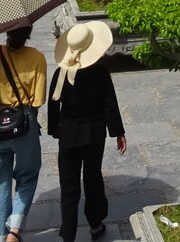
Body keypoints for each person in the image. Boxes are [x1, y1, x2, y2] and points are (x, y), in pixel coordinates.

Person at [48, 21, 128, 242]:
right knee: (93, 177)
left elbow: (53, 104)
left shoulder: (61, 72)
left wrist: (55, 129)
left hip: (69, 135)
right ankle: (95, 223)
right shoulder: (100, 72)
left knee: (69, 186)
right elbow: (109, 103)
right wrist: (118, 132)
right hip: (94, 135)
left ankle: (69, 232)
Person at [0, 24, 48, 242]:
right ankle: (15, 230)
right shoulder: (37, 57)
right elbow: (38, 100)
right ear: (28, 35)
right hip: (24, 120)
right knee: (27, 176)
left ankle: (1, 235)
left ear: (7, 32)